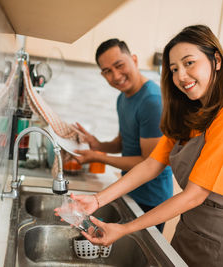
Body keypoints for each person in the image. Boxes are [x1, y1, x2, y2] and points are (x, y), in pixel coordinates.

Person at [64, 25, 223, 267]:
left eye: (189, 63)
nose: (181, 76)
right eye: (174, 68)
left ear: (216, 60)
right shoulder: (189, 111)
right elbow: (151, 164)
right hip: (191, 229)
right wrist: (97, 199)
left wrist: (125, 229)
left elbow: (194, 195)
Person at [73, 38, 173, 233]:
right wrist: (98, 145)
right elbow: (122, 143)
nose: (116, 76)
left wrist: (97, 157)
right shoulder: (123, 98)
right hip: (131, 191)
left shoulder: (152, 101)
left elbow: (148, 162)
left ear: (134, 60)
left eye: (119, 66)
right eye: (107, 71)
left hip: (151, 200)